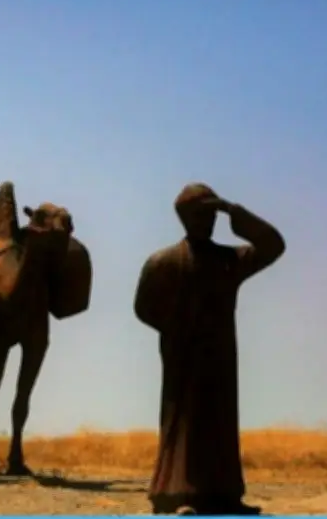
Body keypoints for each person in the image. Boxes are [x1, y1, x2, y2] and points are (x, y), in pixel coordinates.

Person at [133, 183, 286, 515]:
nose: (207, 221)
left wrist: (234, 211)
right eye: (200, 214)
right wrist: (175, 329)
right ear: (184, 218)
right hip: (183, 355)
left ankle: (225, 495)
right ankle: (174, 493)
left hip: (219, 355)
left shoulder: (228, 260)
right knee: (182, 421)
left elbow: (273, 245)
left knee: (220, 420)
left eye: (210, 214)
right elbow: (143, 307)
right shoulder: (164, 261)